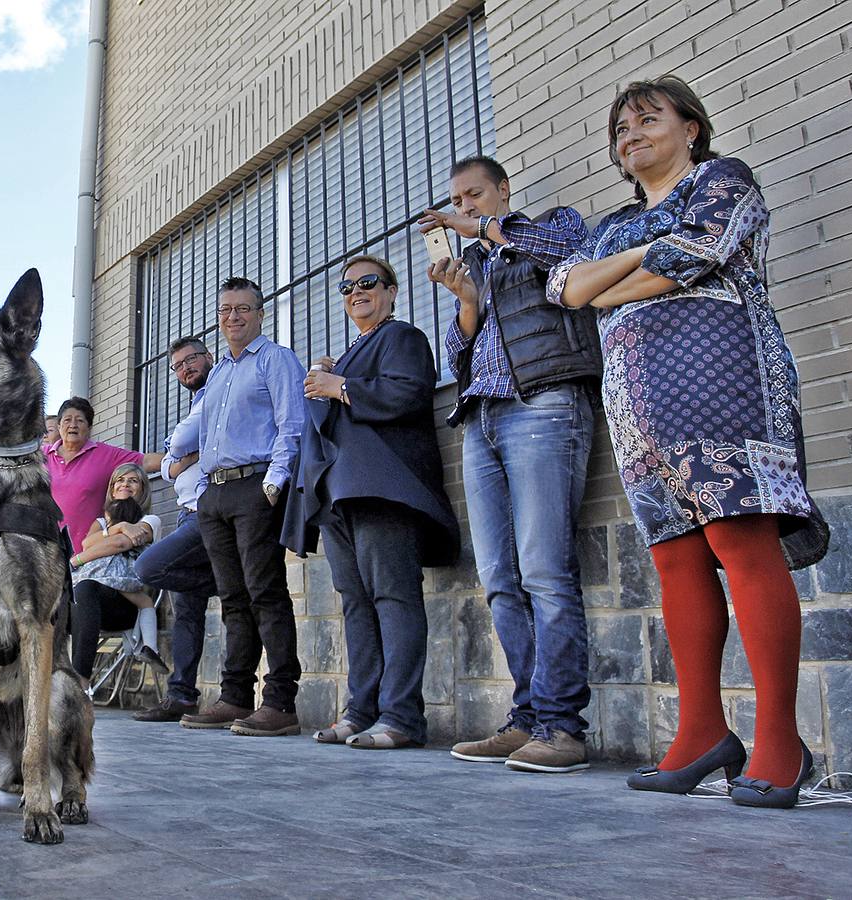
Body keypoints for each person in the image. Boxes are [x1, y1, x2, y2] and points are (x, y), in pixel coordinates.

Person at [549, 76, 827, 808]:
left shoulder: (720, 181)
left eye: (647, 119)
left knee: (740, 542)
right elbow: (566, 289)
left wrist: (607, 283)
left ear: (691, 128)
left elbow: (694, 250)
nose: (630, 135)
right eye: (619, 129)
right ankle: (702, 731)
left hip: (725, 386)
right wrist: (619, 274)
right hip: (639, 408)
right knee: (676, 558)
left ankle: (778, 741)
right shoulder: (610, 225)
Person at [417, 154, 600, 774]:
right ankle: (527, 718)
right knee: (499, 577)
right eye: (458, 200)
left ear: (502, 191)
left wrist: (489, 233)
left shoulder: (549, 226)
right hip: (482, 418)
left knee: (546, 571)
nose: (463, 207)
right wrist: (467, 301)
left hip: (543, 405)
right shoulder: (473, 264)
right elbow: (458, 350)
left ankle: (561, 727)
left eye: (474, 195)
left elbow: (573, 262)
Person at [283, 256, 460, 749]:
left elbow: (406, 394)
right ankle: (361, 710)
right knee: (356, 604)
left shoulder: (402, 336)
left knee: (393, 597)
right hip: (339, 496)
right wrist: (332, 379)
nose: (356, 292)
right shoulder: (350, 353)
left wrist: (340, 386)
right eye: (346, 287)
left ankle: (401, 716)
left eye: (368, 283)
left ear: (392, 290)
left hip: (383, 487)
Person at [175, 276, 307, 737]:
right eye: (225, 309)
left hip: (256, 488)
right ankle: (234, 696)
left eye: (243, 309)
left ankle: (280, 701)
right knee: (232, 598)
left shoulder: (276, 360)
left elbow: (293, 426)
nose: (233, 317)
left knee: (264, 592)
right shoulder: (218, 373)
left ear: (260, 313)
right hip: (214, 495)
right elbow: (202, 433)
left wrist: (274, 484)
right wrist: (184, 468)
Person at [132, 337, 220, 722]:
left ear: (209, 357)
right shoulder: (196, 402)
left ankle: (227, 583)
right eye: (178, 366)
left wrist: (179, 451)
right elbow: (167, 465)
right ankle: (181, 696)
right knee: (186, 609)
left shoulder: (220, 388)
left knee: (149, 568)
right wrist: (174, 458)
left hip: (209, 510)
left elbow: (180, 444)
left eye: (192, 360)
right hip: (187, 511)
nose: (186, 368)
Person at [68, 464, 164, 680]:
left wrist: (78, 559)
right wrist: (120, 527)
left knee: (84, 587)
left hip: (124, 604)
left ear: (143, 489)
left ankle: (80, 681)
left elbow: (120, 544)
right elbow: (87, 543)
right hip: (90, 602)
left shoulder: (149, 521)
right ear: (111, 489)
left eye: (133, 481)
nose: (125, 484)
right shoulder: (100, 522)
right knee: (61, 598)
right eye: (120, 480)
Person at [44, 397, 164, 555]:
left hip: (87, 554)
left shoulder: (105, 455)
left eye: (80, 420)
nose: (73, 425)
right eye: (67, 420)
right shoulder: (39, 457)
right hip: (44, 551)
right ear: (59, 426)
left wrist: (185, 456)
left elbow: (146, 461)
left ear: (89, 427)